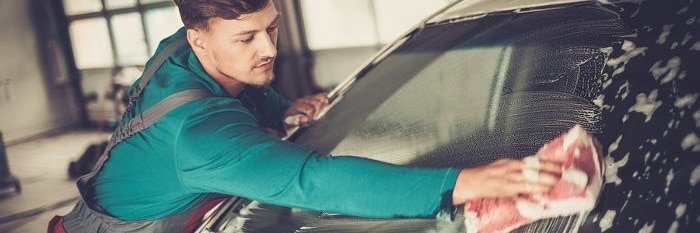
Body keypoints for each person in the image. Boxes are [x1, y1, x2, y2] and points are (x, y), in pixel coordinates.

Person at [53, 0, 562, 232]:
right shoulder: (199, 134)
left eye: (271, 29)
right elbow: (312, 182)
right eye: (247, 38)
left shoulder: (183, 52)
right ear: (197, 38)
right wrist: (460, 183)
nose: (269, 49)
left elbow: (236, 95)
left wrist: (280, 107)